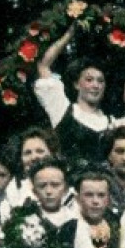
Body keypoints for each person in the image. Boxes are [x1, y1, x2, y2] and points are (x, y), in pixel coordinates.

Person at [35, 25, 113, 164]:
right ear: (77, 84)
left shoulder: (112, 123)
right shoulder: (62, 109)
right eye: (89, 80)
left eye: (100, 81)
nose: (95, 85)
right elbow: (44, 66)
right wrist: (70, 33)